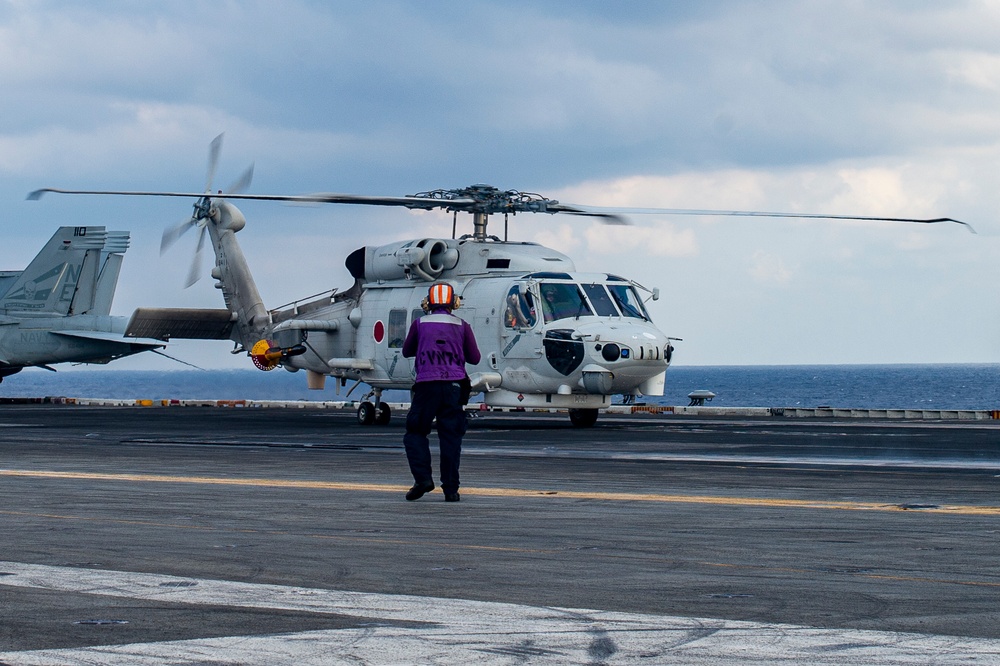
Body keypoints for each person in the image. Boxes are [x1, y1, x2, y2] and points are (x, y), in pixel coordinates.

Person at [401, 282, 481, 502]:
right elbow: (475, 358)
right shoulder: (462, 325)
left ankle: (423, 479)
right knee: (451, 438)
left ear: (428, 303)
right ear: (454, 303)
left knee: (416, 432)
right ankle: (451, 490)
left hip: (427, 386)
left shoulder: (419, 324)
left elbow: (407, 350)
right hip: (454, 387)